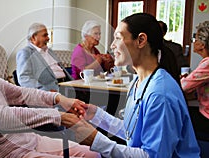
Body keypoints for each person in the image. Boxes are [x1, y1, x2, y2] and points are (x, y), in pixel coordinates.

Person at [0, 17, 100, 158]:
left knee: (92, 154)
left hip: (26, 140)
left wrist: (59, 99)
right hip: (0, 151)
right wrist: (57, 116)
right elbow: (2, 116)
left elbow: (20, 93)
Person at [61, 13, 200, 157]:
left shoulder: (160, 94)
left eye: (118, 38)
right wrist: (96, 115)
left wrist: (97, 141)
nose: (112, 45)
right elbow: (131, 131)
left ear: (140, 40)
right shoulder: (138, 81)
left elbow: (152, 156)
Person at [16, 23, 73, 92]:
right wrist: (44, 91)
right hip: (51, 91)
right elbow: (24, 78)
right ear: (34, 37)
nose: (48, 38)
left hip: (67, 86)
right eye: (45, 35)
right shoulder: (26, 52)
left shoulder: (49, 51)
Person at [181, 20, 209, 134]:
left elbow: (184, 86)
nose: (193, 42)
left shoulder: (207, 63)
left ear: (202, 44)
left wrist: (182, 78)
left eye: (195, 39)